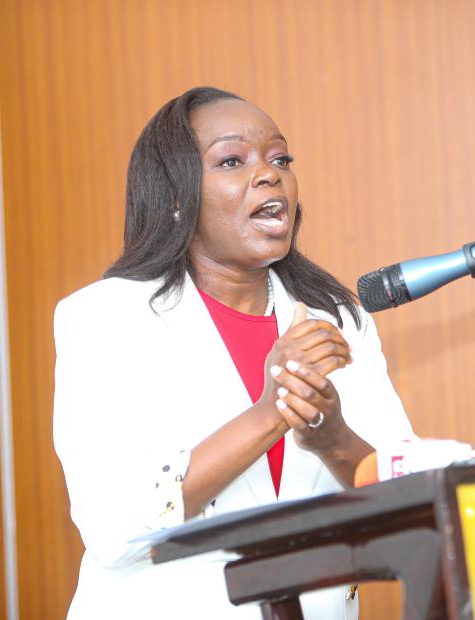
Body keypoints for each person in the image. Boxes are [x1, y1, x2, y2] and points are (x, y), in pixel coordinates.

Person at [53, 86, 414, 619]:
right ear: (177, 196)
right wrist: (271, 413)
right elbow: (115, 528)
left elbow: (405, 506)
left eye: (280, 159)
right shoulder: (105, 317)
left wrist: (333, 438)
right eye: (231, 160)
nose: (270, 175)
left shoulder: (339, 320)